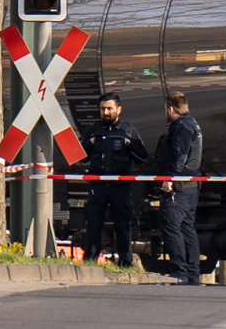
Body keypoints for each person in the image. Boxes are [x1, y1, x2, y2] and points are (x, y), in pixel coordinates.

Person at [74, 96, 147, 265]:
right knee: (93, 225)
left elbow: (142, 157)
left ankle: (125, 262)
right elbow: (80, 158)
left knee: (122, 225)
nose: (106, 112)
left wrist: (129, 145)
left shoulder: (128, 129)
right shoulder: (93, 130)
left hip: (120, 187)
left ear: (118, 110)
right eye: (102, 109)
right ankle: (90, 261)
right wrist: (90, 144)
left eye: (109, 109)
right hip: (98, 186)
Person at [154, 92, 202, 285]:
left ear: (171, 109)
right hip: (190, 184)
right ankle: (192, 273)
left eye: (166, 109)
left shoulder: (181, 127)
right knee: (186, 227)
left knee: (171, 226)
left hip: (179, 186)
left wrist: (169, 179)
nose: (165, 112)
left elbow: (179, 155)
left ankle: (179, 272)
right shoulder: (192, 123)